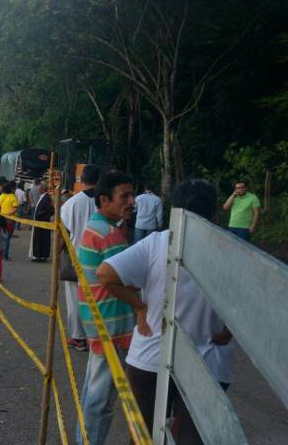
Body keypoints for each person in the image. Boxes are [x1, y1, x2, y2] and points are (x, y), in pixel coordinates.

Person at [97, 179, 234, 445]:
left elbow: (105, 274)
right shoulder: (230, 250)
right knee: (193, 437)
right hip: (209, 362)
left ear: (176, 211)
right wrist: (229, 328)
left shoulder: (157, 243)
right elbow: (251, 302)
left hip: (150, 355)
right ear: (215, 212)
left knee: (143, 435)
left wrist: (140, 306)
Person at [76, 171, 147, 445]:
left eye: (132, 195)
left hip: (98, 322)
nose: (131, 201)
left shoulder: (97, 226)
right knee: (101, 402)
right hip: (112, 326)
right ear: (104, 200)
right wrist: (141, 306)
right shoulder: (109, 235)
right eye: (124, 196)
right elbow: (126, 281)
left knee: (92, 392)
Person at [60, 164, 101, 352]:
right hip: (102, 259)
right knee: (98, 298)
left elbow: (64, 233)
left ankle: (78, 338)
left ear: (80, 180)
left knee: (75, 299)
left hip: (77, 257)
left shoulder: (71, 204)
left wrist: (56, 256)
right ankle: (97, 336)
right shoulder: (106, 202)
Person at [29, 180, 53, 262]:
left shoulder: (46, 198)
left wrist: (40, 214)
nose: (37, 190)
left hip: (42, 222)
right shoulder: (43, 197)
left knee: (42, 239)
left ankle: (41, 256)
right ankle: (38, 255)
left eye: (39, 188)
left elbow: (50, 210)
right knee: (39, 239)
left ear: (43, 189)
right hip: (39, 222)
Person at [0, 181, 19, 260]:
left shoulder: (1, 196)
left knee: (0, 236)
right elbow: (15, 208)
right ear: (11, 189)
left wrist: (0, 214)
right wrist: (8, 215)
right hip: (10, 220)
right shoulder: (13, 197)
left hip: (1, 219)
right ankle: (5, 255)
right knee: (7, 238)